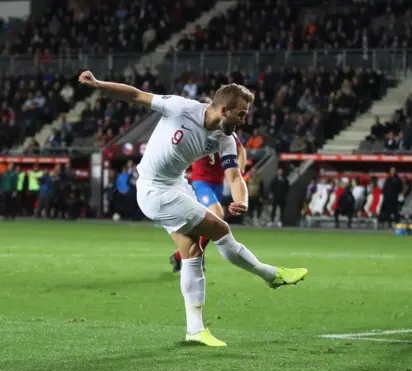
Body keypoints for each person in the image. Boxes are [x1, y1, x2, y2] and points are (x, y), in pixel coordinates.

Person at [78, 70, 308, 347]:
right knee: (219, 228)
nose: (244, 119)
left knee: (192, 252)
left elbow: (234, 177)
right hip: (153, 190)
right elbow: (136, 95)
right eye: (241, 113)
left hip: (175, 185)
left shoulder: (224, 139)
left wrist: (243, 199)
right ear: (224, 110)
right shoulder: (180, 107)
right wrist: (98, 85)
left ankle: (195, 329)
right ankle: (271, 275)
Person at [168, 96, 248, 273]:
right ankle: (197, 255)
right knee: (217, 214)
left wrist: (238, 172)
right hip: (200, 182)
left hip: (217, 184)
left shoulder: (224, 132)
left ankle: (180, 256)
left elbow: (241, 150)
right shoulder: (192, 128)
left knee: (207, 224)